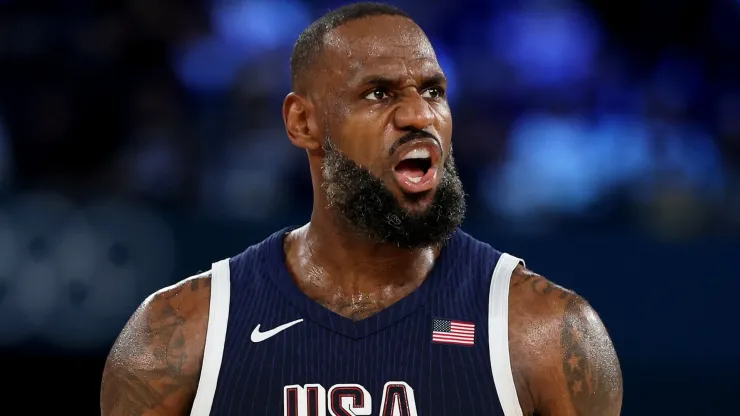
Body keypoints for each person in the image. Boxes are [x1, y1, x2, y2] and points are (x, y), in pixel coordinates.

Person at [100, 2, 623, 415]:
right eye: (379, 93)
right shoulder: (180, 334)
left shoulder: (546, 331)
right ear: (302, 122)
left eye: (433, 91)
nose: (419, 114)